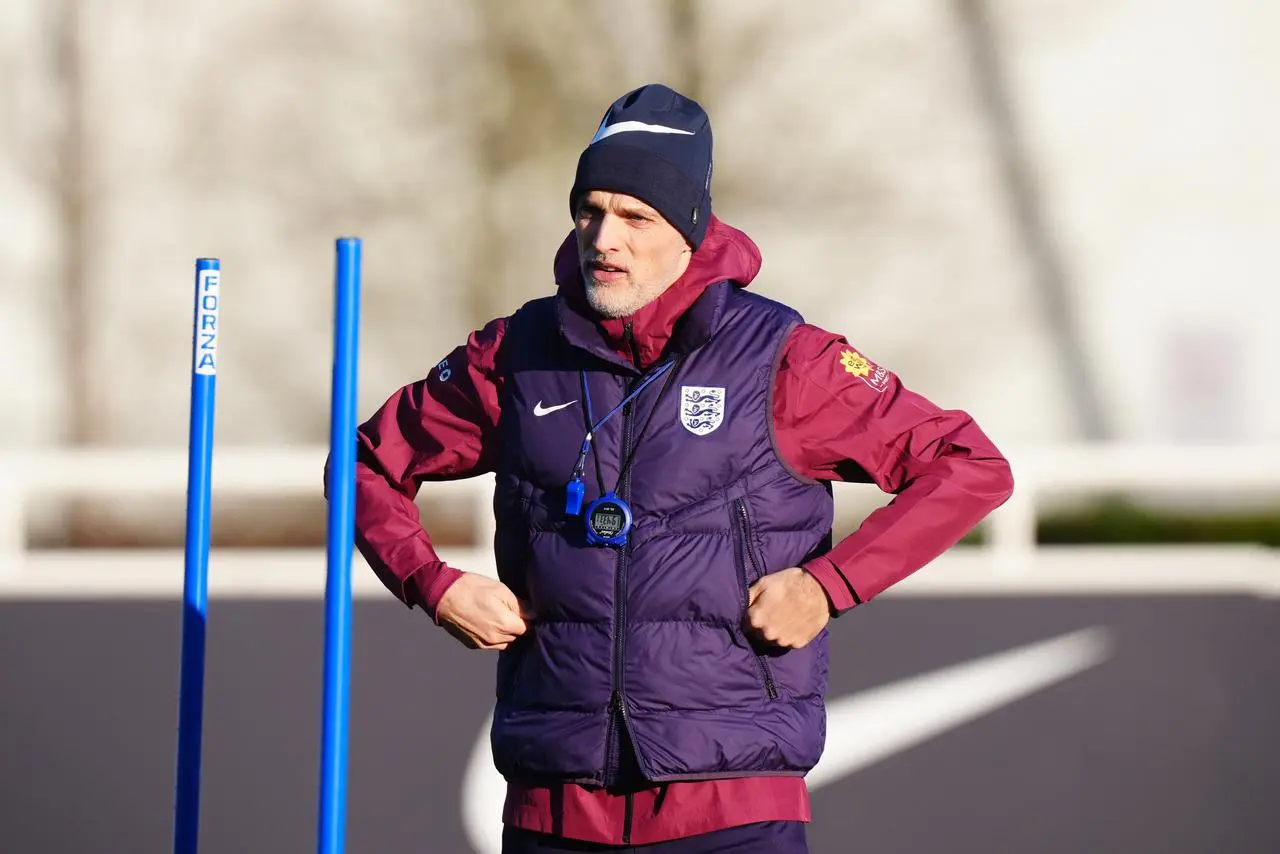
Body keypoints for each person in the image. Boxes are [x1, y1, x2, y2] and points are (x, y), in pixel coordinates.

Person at [347, 83, 1015, 854]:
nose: (605, 239)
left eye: (637, 217)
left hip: (733, 810)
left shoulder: (786, 359)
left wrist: (828, 586)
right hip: (553, 807)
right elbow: (363, 464)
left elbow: (970, 466)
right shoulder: (516, 353)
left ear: (692, 229)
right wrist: (433, 586)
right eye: (589, 211)